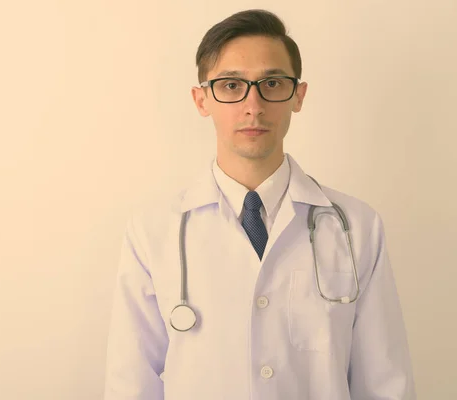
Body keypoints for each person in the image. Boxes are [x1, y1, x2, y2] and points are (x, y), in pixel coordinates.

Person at [103, 8, 416, 400]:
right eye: (232, 86)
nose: (254, 105)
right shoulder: (153, 232)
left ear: (297, 96)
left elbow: (385, 383)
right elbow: (131, 384)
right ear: (202, 100)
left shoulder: (357, 227)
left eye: (271, 83)